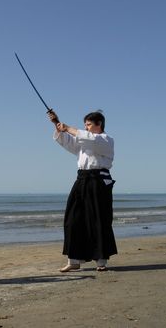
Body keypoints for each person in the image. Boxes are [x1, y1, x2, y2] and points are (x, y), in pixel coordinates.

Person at [48, 110, 117, 272]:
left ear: (99, 124)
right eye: (85, 124)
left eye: (89, 124)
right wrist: (56, 124)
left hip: (99, 180)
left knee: (99, 219)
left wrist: (68, 127)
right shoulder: (84, 141)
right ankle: (74, 260)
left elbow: (88, 138)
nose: (86, 127)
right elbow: (69, 142)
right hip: (82, 179)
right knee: (73, 218)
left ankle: (101, 260)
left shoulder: (106, 140)